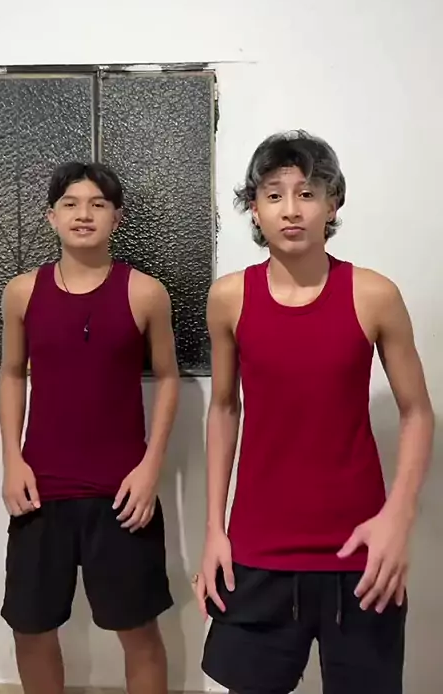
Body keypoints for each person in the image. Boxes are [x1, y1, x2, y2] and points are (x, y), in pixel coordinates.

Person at [194, 131, 434, 694]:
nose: (291, 209)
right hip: (257, 547)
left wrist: (398, 518)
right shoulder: (229, 298)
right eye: (274, 194)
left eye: (307, 193)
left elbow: (418, 413)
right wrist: (213, 530)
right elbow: (224, 408)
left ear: (333, 203)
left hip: (360, 551)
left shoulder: (373, 295)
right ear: (254, 208)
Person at [0, 161, 179, 694]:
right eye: (71, 204)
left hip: (123, 494)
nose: (84, 214)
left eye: (98, 204)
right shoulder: (22, 292)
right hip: (40, 490)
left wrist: (150, 469)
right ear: (51, 216)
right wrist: (12, 459)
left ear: (116, 218)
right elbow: (12, 373)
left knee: (138, 630)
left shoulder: (145, 293)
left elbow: (168, 378)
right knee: (30, 628)